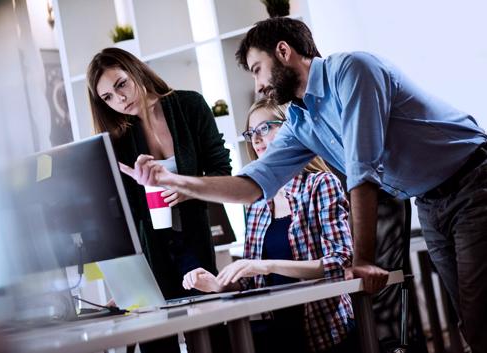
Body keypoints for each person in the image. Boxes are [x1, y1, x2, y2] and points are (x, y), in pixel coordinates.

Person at [119, 18, 487, 353]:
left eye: (257, 69)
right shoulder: (300, 120)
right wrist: (175, 181)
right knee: (472, 323)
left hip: (473, 179)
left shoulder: (352, 71)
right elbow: (252, 185)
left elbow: (362, 167)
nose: (259, 85)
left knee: (479, 321)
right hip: (430, 199)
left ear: (284, 51)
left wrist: (362, 260)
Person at [182, 98, 357, 353]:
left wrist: (267, 265)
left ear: (290, 129)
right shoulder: (255, 200)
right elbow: (254, 281)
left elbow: (341, 261)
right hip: (277, 332)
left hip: (325, 329)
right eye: (252, 133)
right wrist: (221, 284)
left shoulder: (320, 184)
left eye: (266, 127)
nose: (257, 139)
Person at [86, 47, 232, 353]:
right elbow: (120, 212)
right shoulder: (118, 137)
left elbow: (222, 169)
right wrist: (126, 284)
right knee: (156, 342)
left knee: (210, 334)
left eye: (121, 84)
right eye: (108, 98)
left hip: (193, 239)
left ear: (136, 70)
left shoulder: (189, 105)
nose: (120, 99)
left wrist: (186, 187)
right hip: (151, 250)